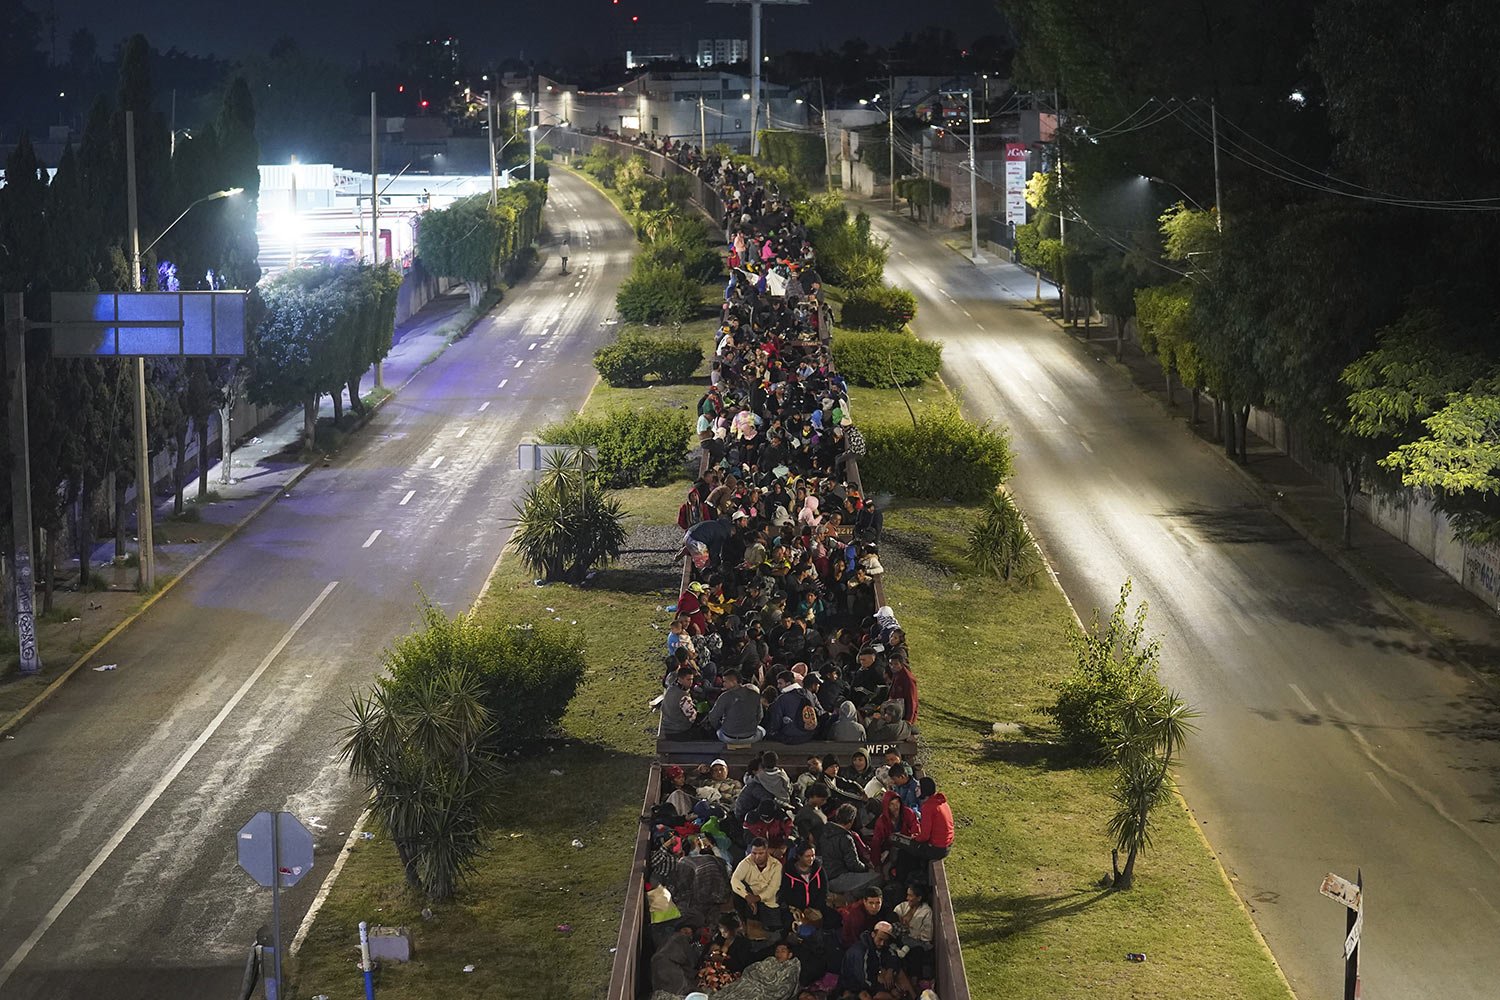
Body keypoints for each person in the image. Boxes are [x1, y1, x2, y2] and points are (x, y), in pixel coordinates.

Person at [894, 776, 954, 881]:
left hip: (936, 849)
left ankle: (900, 878)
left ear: (924, 790)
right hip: (946, 845)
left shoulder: (928, 807)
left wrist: (914, 838)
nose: (916, 790)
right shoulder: (941, 802)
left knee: (900, 843)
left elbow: (924, 836)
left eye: (918, 787)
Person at [818, 802, 880, 896]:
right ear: (851, 821)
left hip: (825, 875)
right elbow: (853, 864)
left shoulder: (825, 831)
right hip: (838, 877)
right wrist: (867, 868)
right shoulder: (846, 838)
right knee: (878, 877)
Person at [730, 837, 785, 933]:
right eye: (754, 853)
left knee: (774, 930)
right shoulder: (746, 862)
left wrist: (757, 898)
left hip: (769, 900)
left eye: (761, 853)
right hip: (750, 899)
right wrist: (747, 896)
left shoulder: (776, 865)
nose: (757, 857)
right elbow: (734, 880)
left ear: (767, 851)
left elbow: (773, 888)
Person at [704, 669, 765, 744]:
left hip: (728, 737)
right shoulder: (755, 694)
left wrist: (720, 727)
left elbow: (713, 717)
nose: (723, 684)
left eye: (725, 681)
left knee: (719, 732)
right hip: (750, 736)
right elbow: (760, 716)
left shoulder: (724, 696)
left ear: (734, 682)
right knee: (762, 731)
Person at [891, 882, 935, 979]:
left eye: (910, 895)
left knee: (917, 952)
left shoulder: (926, 911)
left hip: (917, 943)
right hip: (901, 937)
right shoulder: (904, 906)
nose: (907, 898)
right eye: (907, 895)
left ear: (919, 898)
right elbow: (894, 916)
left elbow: (927, 936)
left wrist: (911, 934)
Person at [778, 842, 828, 916]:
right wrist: (798, 910)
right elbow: (786, 893)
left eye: (813, 855)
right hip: (796, 910)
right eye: (807, 856)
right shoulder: (789, 872)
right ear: (799, 856)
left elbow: (824, 890)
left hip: (816, 908)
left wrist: (815, 908)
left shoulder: (818, 869)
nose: (811, 859)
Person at [660, 666, 702, 739]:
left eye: (692, 679)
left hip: (667, 727)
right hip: (679, 731)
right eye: (688, 679)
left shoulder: (670, 689)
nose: (691, 682)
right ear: (680, 679)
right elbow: (693, 718)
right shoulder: (683, 696)